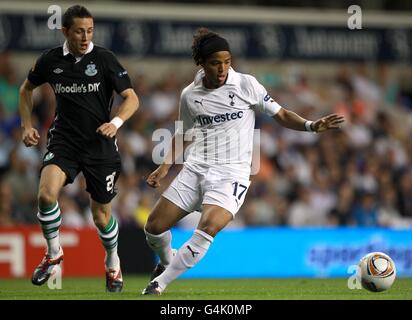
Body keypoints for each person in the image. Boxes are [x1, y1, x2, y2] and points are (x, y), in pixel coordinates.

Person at [141, 27, 344, 295]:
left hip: (231, 174)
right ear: (201, 64)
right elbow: (184, 133)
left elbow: (281, 114)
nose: (223, 68)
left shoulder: (246, 84)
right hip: (196, 167)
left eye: (227, 62)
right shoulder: (189, 95)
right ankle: (167, 262)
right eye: (215, 63)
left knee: (208, 227)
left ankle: (161, 283)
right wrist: (165, 165)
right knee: (153, 228)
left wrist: (310, 125)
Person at [18, 5, 139, 292]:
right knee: (46, 194)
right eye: (79, 31)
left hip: (100, 145)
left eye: (89, 31)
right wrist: (26, 125)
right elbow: (26, 90)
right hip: (65, 140)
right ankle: (54, 252)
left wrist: (116, 122)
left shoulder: (105, 59)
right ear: (65, 31)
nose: (85, 37)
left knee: (101, 216)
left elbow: (132, 98)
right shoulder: (50, 60)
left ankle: (112, 262)